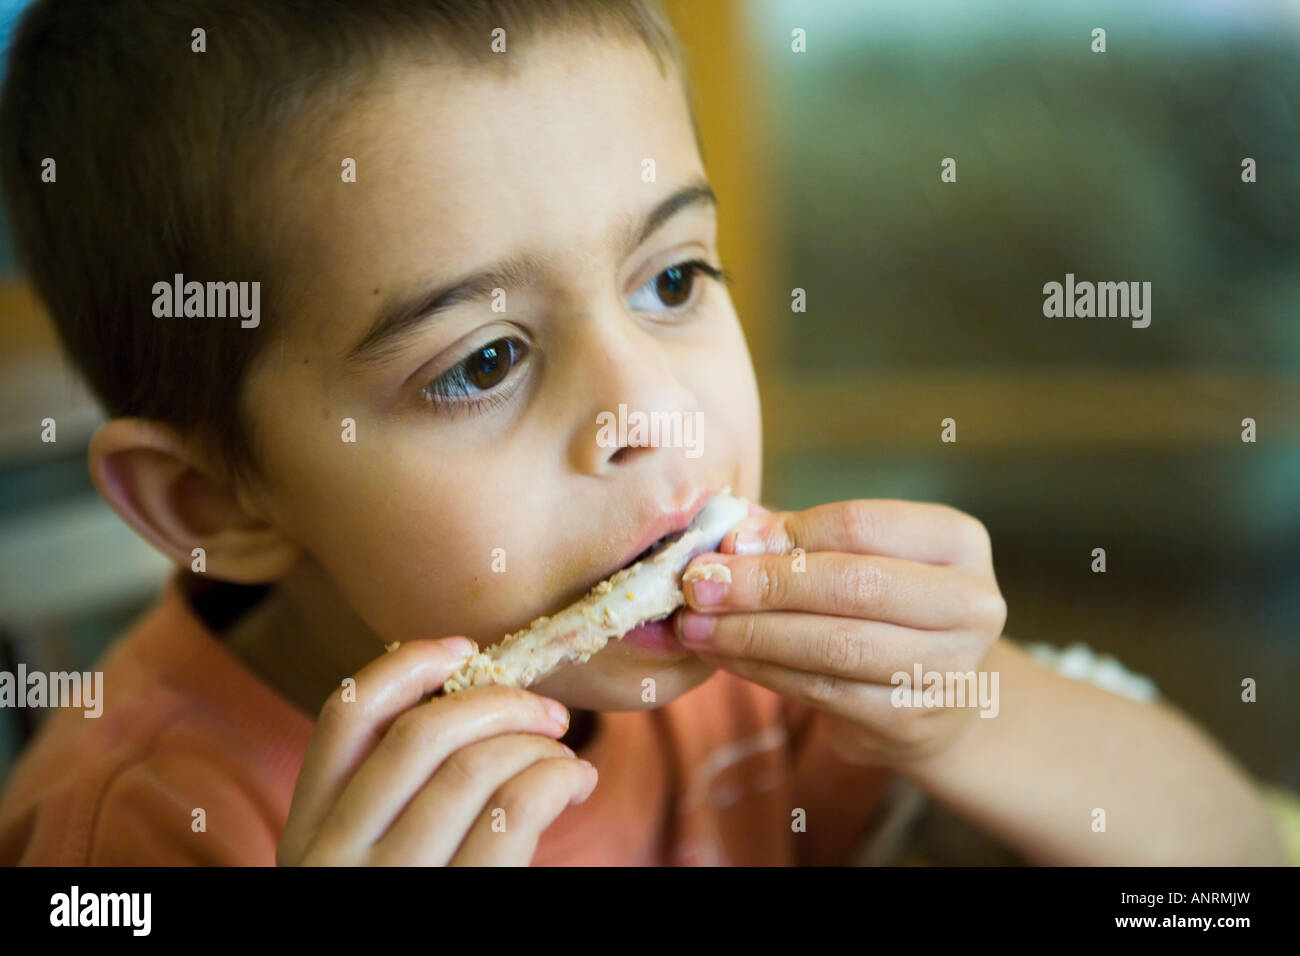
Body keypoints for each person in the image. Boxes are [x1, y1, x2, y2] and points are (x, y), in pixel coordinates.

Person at [0, 0, 1287, 865]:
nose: (653, 414)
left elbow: (1231, 849)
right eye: (485, 361)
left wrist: (967, 714)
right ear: (217, 501)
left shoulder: (741, 686)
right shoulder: (130, 827)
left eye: (670, 280)